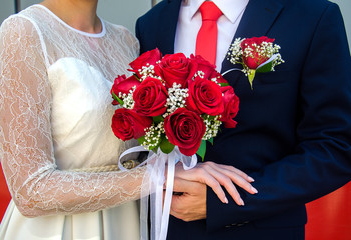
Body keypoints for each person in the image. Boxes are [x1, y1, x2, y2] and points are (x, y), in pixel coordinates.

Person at [0, 0, 257, 239]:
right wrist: (158, 177)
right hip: (58, 229)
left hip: (128, 223)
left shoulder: (126, 40)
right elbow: (30, 191)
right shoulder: (24, 32)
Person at [136, 0, 351, 239]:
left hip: (262, 230)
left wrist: (226, 202)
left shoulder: (313, 15)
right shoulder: (151, 23)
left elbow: (335, 146)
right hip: (170, 229)